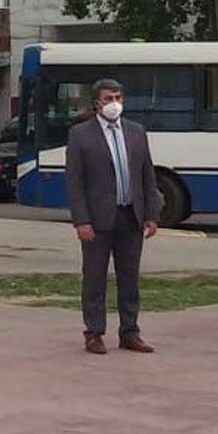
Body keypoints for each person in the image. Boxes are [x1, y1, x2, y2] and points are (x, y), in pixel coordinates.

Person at [65, 78, 161, 355]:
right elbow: (75, 181)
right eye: (108, 99)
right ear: (97, 103)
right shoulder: (81, 135)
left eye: (118, 97)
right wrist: (81, 220)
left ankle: (130, 332)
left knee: (129, 278)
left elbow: (147, 175)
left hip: (131, 216)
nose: (114, 103)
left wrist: (151, 214)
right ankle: (94, 333)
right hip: (97, 220)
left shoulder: (136, 132)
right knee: (94, 278)